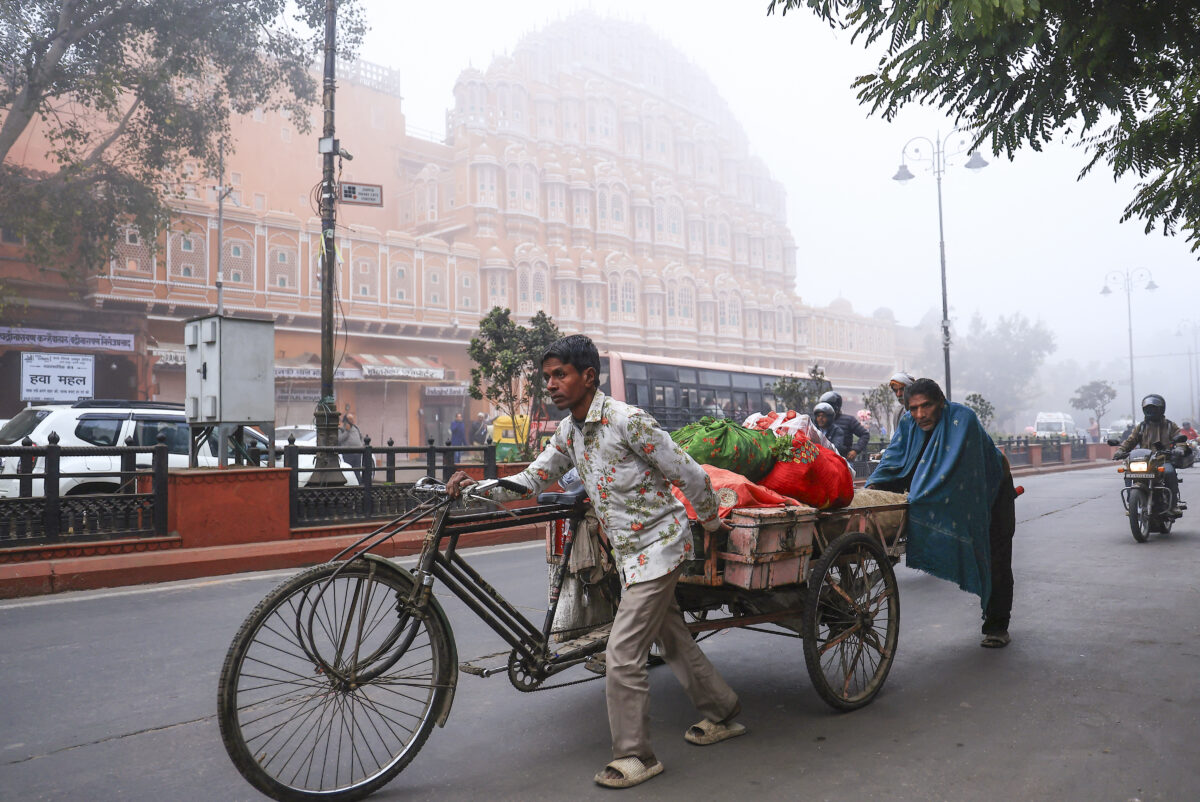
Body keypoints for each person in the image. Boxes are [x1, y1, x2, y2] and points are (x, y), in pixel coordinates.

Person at [445, 334, 743, 789]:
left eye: (560, 374)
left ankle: (636, 755)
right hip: (629, 556)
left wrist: (712, 523)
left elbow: (691, 474)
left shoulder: (628, 421)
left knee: (622, 653)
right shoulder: (570, 432)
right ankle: (722, 710)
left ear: (588, 376)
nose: (551, 384)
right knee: (672, 637)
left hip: (660, 548)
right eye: (547, 377)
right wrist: (476, 489)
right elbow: (532, 479)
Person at [866, 378, 1016, 648]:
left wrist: (916, 499)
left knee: (996, 557)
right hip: (945, 487)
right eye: (913, 408)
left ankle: (997, 626)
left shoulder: (963, 419)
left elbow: (952, 470)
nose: (920, 414)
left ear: (941, 403)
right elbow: (894, 460)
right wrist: (871, 490)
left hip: (992, 489)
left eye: (926, 406)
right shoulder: (908, 424)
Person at [1114, 394, 1183, 516]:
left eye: (1153, 408)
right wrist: (1121, 450)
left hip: (1163, 460)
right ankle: (1132, 504)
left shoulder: (1170, 426)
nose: (1151, 411)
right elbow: (1130, 441)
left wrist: (1180, 448)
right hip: (1144, 460)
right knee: (1128, 473)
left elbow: (1180, 439)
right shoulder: (1141, 427)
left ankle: (1173, 505)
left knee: (1169, 472)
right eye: (1148, 408)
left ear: (1161, 409)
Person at [819, 390, 870, 460]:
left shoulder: (849, 420)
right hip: (823, 458)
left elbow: (865, 434)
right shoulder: (818, 421)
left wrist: (855, 450)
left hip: (843, 458)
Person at [888, 371, 915, 436]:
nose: (898, 394)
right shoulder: (898, 412)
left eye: (902, 389)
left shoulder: (921, 411)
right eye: (895, 390)